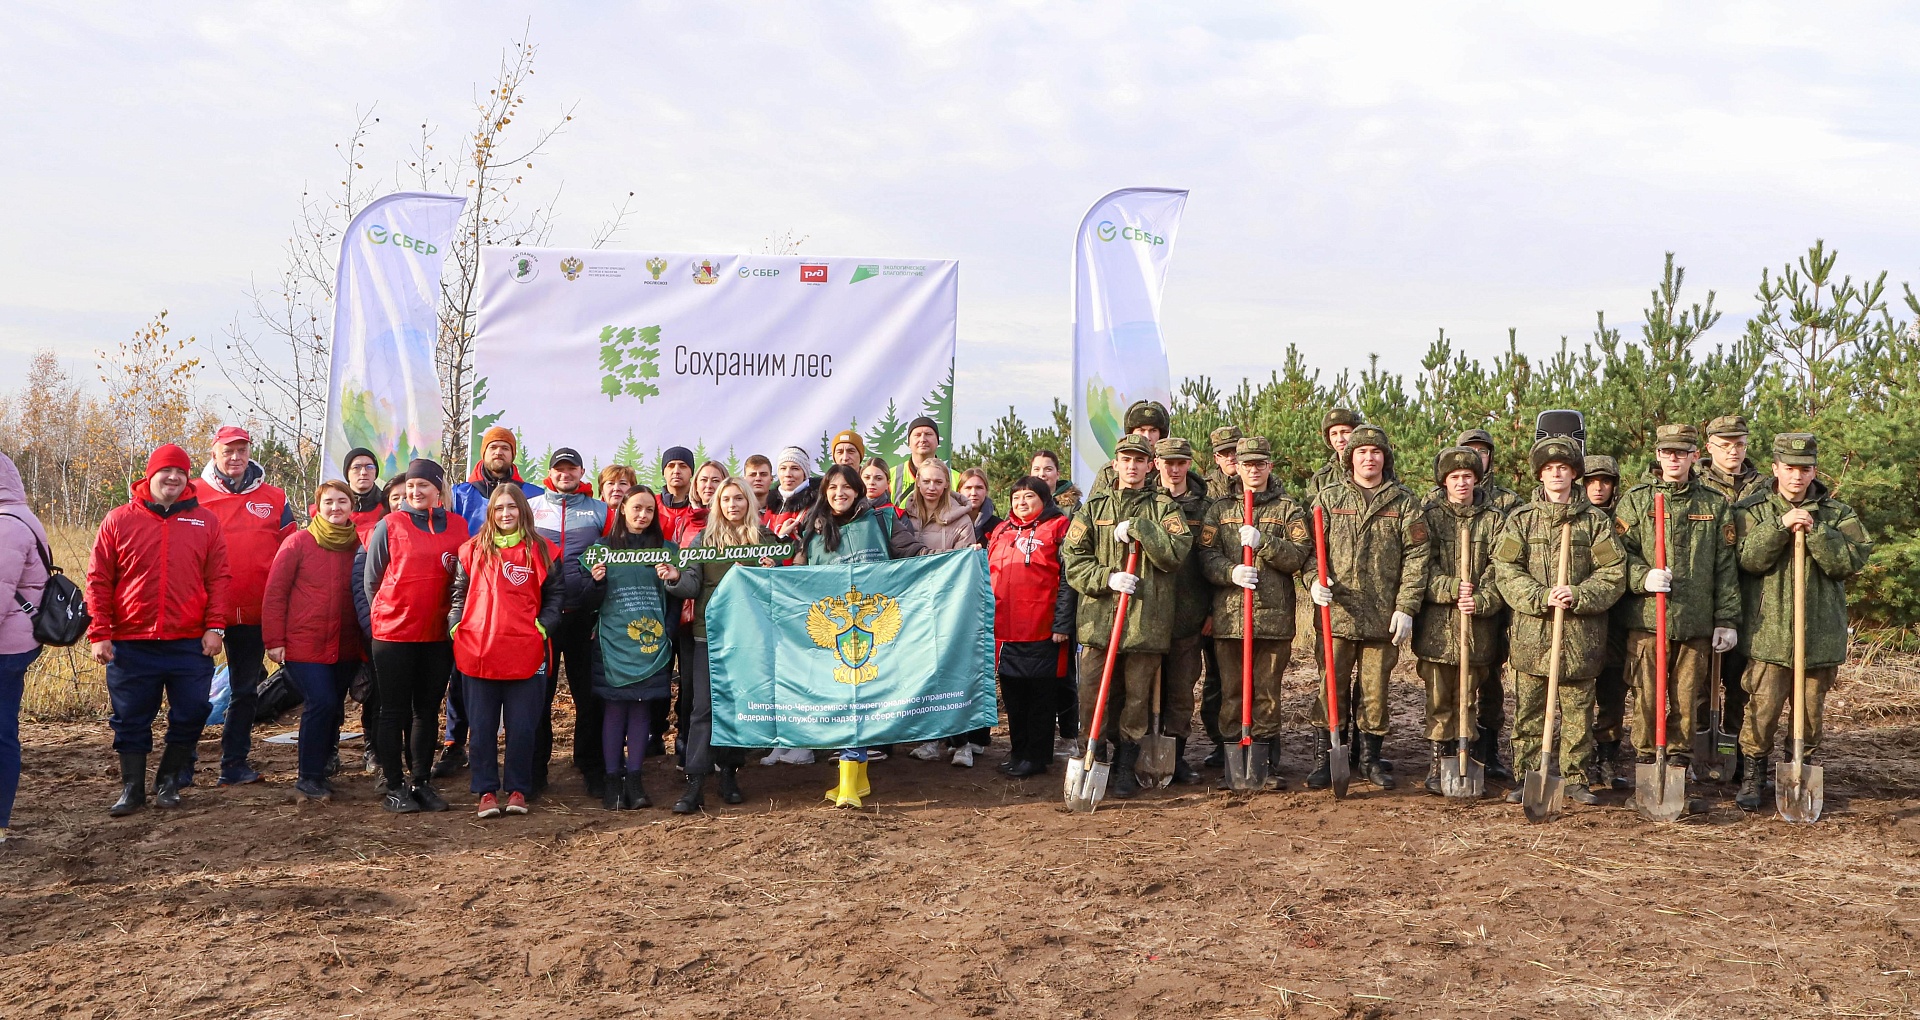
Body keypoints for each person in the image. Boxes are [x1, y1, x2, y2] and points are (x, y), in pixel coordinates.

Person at [87, 444, 230, 816]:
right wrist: (100, 633)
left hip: (188, 642)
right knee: (131, 718)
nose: (173, 478)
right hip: (131, 642)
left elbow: (219, 579)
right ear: (150, 475)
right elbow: (99, 581)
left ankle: (168, 779)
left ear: (188, 478)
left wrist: (215, 627)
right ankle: (132, 789)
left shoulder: (205, 521)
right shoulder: (119, 520)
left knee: (194, 710)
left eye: (180, 472)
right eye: (166, 471)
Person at [1733, 433, 1871, 811]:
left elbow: (1850, 562)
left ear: (1814, 470)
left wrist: (1817, 531)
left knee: (1810, 713)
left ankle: (1801, 767)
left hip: (1818, 633)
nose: (1797, 476)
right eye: (1790, 468)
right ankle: (1753, 777)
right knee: (1761, 710)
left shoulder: (1836, 513)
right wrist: (1780, 526)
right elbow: (1747, 560)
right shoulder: (1752, 509)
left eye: (1805, 469)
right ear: (1775, 468)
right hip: (1769, 633)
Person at [1492, 437, 1626, 807]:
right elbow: (1505, 569)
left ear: (1574, 475)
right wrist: (1539, 596)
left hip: (1581, 636)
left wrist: (1579, 595)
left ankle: (1576, 777)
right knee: (1530, 714)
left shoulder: (1594, 523)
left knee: (1578, 714)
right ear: (1540, 475)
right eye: (1550, 469)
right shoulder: (1521, 521)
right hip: (1533, 636)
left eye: (1563, 469)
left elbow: (1613, 572)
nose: (1556, 475)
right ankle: (1527, 775)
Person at [1061, 435, 1192, 799]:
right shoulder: (1092, 509)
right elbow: (1073, 560)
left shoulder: (1165, 508)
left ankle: (1125, 763)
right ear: (1115, 464)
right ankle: (1094, 756)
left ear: (1151, 466)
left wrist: (1141, 528)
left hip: (1145, 622)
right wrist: (1106, 578)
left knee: (1136, 699)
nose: (1132, 466)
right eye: (1125, 459)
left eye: (1139, 459)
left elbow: (1175, 554)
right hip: (1099, 621)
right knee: (1092, 695)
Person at [1614, 424, 1739, 789]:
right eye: (1667, 452)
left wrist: (1726, 619)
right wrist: (1643, 577)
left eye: (1682, 452)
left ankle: (1679, 771)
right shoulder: (1636, 501)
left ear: (1694, 456)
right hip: (1648, 620)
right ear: (1657, 455)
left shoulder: (1714, 504)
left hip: (1695, 621)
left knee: (1686, 700)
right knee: (1647, 697)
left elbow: (1725, 568)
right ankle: (1646, 765)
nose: (1674, 458)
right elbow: (1619, 555)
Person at [1306, 424, 1429, 790]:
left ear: (1384, 458)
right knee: (1332, 686)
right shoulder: (1328, 499)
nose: (1369, 458)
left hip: (1382, 617)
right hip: (1336, 614)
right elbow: (1311, 550)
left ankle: (1370, 758)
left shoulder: (1404, 502)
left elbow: (1418, 556)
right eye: (1361, 452)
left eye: (1376, 452)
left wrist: (1406, 606)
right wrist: (1313, 580)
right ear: (1350, 458)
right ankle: (1326, 757)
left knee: (1375, 692)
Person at [791, 465, 923, 801]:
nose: (839, 493)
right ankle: (857, 776)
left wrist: (956, 559)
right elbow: (800, 575)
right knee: (843, 701)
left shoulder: (881, 519)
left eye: (847, 487)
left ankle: (851, 781)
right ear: (825, 493)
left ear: (858, 490)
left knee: (861, 703)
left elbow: (916, 556)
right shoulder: (813, 528)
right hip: (833, 634)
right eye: (832, 488)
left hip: (871, 632)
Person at [1198, 437, 1306, 788]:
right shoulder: (1219, 510)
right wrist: (1230, 572)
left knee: (1266, 693)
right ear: (1237, 468)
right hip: (1231, 618)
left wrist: (1266, 543)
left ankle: (1263, 765)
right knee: (1231, 692)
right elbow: (1205, 556)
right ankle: (1234, 765)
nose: (1254, 470)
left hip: (1273, 619)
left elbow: (1299, 555)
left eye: (1260, 464)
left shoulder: (1288, 508)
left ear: (1269, 466)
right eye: (1247, 464)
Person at [449, 484, 562, 819]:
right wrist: (456, 625)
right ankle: (485, 790)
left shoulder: (543, 550)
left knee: (523, 727)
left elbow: (556, 596)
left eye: (512, 507)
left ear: (523, 511)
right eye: (499, 508)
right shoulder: (471, 550)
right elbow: (458, 594)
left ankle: (517, 789)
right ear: (490, 513)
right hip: (478, 651)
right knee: (481, 727)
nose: (506, 514)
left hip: (525, 651)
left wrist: (543, 627)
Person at [363, 459, 468, 814]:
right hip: (393, 635)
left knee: (426, 711)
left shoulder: (458, 526)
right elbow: (371, 581)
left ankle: (421, 781)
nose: (415, 492)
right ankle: (394, 785)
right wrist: (386, 616)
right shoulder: (390, 525)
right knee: (392, 711)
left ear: (438, 490)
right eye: (410, 486)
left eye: (423, 485)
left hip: (437, 634)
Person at [195, 425, 294, 787]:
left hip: (254, 611)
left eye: (241, 450)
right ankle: (182, 764)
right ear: (214, 452)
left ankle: (233, 763)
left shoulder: (275, 497)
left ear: (249, 452)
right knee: (191, 691)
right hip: (202, 613)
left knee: (245, 691)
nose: (235, 457)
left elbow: (291, 552)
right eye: (228, 450)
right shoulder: (193, 493)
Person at [588, 488, 699, 810]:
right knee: (613, 710)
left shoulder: (667, 550)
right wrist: (595, 582)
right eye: (636, 508)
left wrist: (666, 630)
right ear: (622, 510)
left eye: (649, 510)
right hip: (613, 643)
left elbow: (676, 599)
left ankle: (635, 781)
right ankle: (612, 781)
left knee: (640, 710)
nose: (642, 515)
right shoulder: (602, 550)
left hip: (651, 644)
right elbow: (587, 600)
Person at [677, 477, 779, 810]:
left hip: (750, 638)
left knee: (738, 708)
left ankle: (729, 774)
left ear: (749, 502)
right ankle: (694, 782)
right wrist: (675, 579)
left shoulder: (765, 539)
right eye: (726, 500)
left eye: (739, 499)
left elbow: (783, 585)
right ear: (717, 505)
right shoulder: (704, 540)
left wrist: (774, 569)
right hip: (710, 635)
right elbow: (691, 584)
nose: (732, 505)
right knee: (703, 708)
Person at [1411, 447, 1507, 795]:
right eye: (1455, 477)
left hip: (1475, 627)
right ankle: (1438, 762)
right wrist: (1451, 588)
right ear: (1444, 481)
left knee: (1467, 696)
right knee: (1438, 698)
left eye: (1467, 476)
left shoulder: (1495, 518)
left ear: (1476, 478)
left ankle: (1463, 753)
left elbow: (1503, 568)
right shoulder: (1429, 515)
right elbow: (1420, 565)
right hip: (1437, 626)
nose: (1462, 482)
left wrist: (1481, 600)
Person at [262, 480, 365, 801]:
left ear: (352, 507)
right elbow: (275, 594)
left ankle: (322, 768)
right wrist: (274, 640)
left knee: (334, 707)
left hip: (346, 646)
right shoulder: (297, 544)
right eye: (329, 502)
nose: (336, 508)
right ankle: (307, 776)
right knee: (320, 702)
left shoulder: (359, 545)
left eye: (342, 502)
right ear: (317, 508)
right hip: (304, 645)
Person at [527, 447, 611, 797]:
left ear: (581, 472)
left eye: (572, 469)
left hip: (583, 617)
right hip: (544, 617)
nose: (566, 474)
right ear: (552, 472)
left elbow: (612, 553)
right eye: (559, 469)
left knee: (588, 695)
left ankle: (590, 765)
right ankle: (535, 770)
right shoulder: (531, 507)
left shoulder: (600, 510)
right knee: (538, 697)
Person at [901, 460, 989, 766]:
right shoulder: (906, 515)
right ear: (918, 482)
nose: (931, 487)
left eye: (938, 482)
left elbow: (966, 560)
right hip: (916, 605)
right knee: (925, 673)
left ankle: (962, 743)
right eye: (926, 481)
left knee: (954, 673)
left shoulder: (961, 520)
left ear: (946, 485)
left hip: (950, 604)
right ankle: (930, 740)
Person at [985, 476, 1074, 778]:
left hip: (1043, 628)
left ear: (1044, 499)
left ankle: (1036, 757)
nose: (1021, 503)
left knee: (1040, 698)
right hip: (1006, 629)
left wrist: (1063, 622)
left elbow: (1067, 579)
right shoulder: (1001, 531)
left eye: (1029, 497)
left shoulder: (1059, 527)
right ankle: (1018, 751)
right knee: (1013, 696)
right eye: (1016, 498)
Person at [1700, 414, 1766, 783]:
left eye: (1739, 444)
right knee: (1697, 686)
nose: (1733, 452)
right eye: (1725, 445)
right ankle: (1699, 756)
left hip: (1753, 601)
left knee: (1743, 684)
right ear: (1709, 448)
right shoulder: (1694, 485)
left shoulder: (1766, 488)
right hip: (1702, 598)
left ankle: (1738, 755)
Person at [0, 452, 49, 839]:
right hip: (14, 641)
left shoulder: (6, 527)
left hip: (5, 646)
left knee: (1, 733)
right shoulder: (16, 515)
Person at [1581, 455, 1630, 788]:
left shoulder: (1625, 523)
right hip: (1580, 621)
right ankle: (1579, 757)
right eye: (1590, 481)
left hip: (1616, 621)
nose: (1598, 488)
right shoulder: (1573, 519)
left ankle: (1608, 757)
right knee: (1578, 695)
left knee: (1613, 693)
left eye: (1605, 481)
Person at [451, 426, 545, 526]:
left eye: (505, 448)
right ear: (484, 452)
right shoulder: (459, 495)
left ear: (512, 455)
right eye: (493, 447)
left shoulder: (534, 496)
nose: (499, 452)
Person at [1090, 400, 1168, 496]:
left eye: (1153, 431)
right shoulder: (1110, 472)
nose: (1147, 437)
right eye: (1141, 430)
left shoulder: (1167, 468)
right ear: (1131, 434)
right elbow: (1094, 507)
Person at [1444, 429, 1523, 515]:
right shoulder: (1438, 498)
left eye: (1482, 451)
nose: (1477, 455)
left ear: (1490, 457)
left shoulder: (1508, 501)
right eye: (1469, 450)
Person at [1307, 408, 1364, 494]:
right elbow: (1312, 506)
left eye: (1345, 432)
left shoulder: (1374, 470)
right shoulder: (1322, 478)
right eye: (1334, 434)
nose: (1340, 439)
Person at [889, 417, 944, 504]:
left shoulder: (955, 478)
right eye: (917, 435)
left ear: (937, 441)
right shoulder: (890, 476)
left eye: (928, 434)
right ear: (909, 442)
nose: (922, 439)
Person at [339, 447, 388, 541]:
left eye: (369, 467)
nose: (363, 472)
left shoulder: (388, 504)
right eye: (356, 467)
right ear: (347, 473)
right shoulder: (334, 506)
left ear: (375, 472)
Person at [765, 446, 815, 537]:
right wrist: (781, 535)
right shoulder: (770, 505)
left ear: (805, 474)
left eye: (795, 468)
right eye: (783, 468)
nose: (788, 474)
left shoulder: (816, 504)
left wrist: (784, 538)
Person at [656, 446, 697, 541]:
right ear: (663, 472)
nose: (676, 471)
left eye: (683, 466)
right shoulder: (651, 505)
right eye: (671, 466)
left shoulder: (701, 506)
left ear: (691, 472)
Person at [1031, 449, 1082, 513]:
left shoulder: (1072, 507)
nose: (1042, 474)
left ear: (1058, 474)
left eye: (1048, 469)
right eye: (1036, 469)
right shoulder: (1021, 503)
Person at [959, 468, 1000, 544]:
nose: (973, 493)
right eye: (968, 488)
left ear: (986, 491)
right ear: (959, 491)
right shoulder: (948, 522)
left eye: (979, 488)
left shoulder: (998, 526)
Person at [1203, 426, 1241, 500]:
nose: (1230, 458)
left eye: (1235, 451)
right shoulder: (1205, 488)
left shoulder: (1259, 483)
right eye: (1224, 453)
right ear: (1216, 458)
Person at [597, 465, 636, 532]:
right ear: (602, 490)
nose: (616, 488)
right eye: (611, 483)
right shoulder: (592, 514)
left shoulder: (640, 515)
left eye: (623, 483)